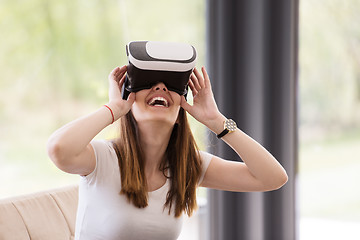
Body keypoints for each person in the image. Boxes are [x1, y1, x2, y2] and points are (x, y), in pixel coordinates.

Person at [47, 65, 288, 240]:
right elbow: (59, 148)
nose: (160, 86)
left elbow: (273, 178)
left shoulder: (188, 165)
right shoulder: (103, 158)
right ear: (129, 102)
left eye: (170, 85)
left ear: (179, 112)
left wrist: (217, 122)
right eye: (148, 83)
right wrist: (114, 108)